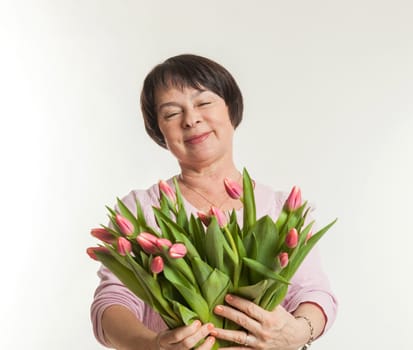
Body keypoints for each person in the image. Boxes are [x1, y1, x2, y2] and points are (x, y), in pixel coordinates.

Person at [90, 54, 338, 350]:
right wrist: (153, 345)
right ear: (159, 132)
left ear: (231, 109)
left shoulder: (281, 208)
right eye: (171, 113)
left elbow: (314, 293)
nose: (191, 119)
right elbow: (112, 301)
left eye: (204, 103)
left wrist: (299, 331)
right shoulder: (141, 211)